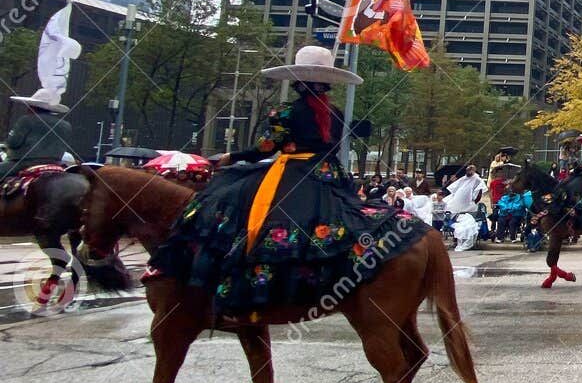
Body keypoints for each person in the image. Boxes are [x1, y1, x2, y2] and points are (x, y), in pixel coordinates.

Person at [148, 45, 423, 312]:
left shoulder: (286, 112)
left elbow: (265, 149)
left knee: (231, 204)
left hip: (292, 172)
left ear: (297, 82)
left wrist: (232, 156)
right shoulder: (336, 114)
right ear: (326, 84)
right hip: (329, 175)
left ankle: (244, 286)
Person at [1, 88, 73, 182]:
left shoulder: (26, 120)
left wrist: (6, 144)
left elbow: (14, 143)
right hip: (55, 164)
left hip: (23, 163)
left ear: (32, 107)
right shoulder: (65, 125)